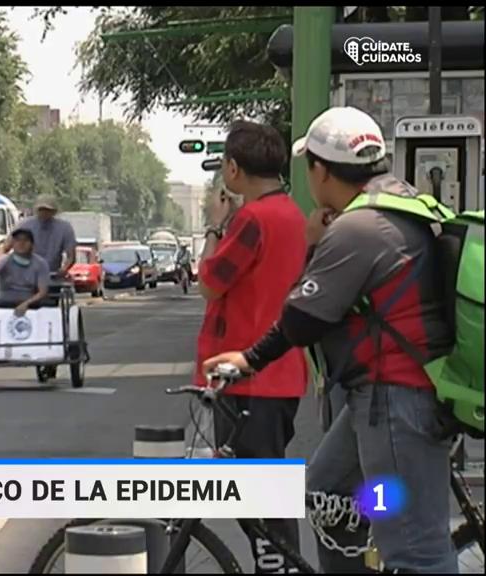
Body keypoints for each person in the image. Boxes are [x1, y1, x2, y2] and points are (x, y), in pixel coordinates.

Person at [204, 107, 457, 573]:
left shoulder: (358, 229)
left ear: (321, 171)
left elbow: (302, 319)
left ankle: (394, 526)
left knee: (417, 550)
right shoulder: (403, 203)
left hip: (396, 402)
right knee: (330, 492)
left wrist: (248, 358)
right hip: (390, 397)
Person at [195, 120, 309, 574]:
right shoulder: (293, 214)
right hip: (281, 373)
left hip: (245, 375)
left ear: (233, 168)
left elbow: (209, 282)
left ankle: (279, 568)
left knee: (257, 502)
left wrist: (214, 227)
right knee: (265, 494)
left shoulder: (251, 220)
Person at [0, 194, 77, 277]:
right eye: (41, 210)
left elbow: (71, 256)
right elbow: (5, 248)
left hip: (51, 275)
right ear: (36, 210)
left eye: (47, 210)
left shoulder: (64, 228)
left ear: (54, 212)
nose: (44, 213)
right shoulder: (25, 225)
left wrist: (63, 269)